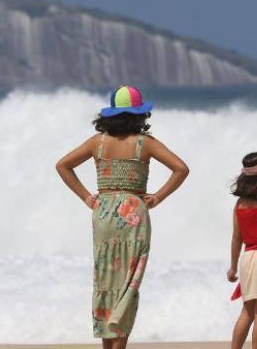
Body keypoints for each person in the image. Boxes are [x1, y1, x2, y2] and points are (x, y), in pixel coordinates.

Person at [55, 85, 188, 349]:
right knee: (129, 283)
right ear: (139, 115)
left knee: (105, 280)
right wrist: (157, 197)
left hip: (103, 211)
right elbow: (181, 169)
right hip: (133, 212)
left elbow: (62, 165)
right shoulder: (145, 144)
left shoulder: (98, 142)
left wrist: (86, 196)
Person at [228, 151, 257, 349]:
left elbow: (236, 238)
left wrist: (233, 267)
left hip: (248, 259)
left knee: (247, 312)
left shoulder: (240, 204)